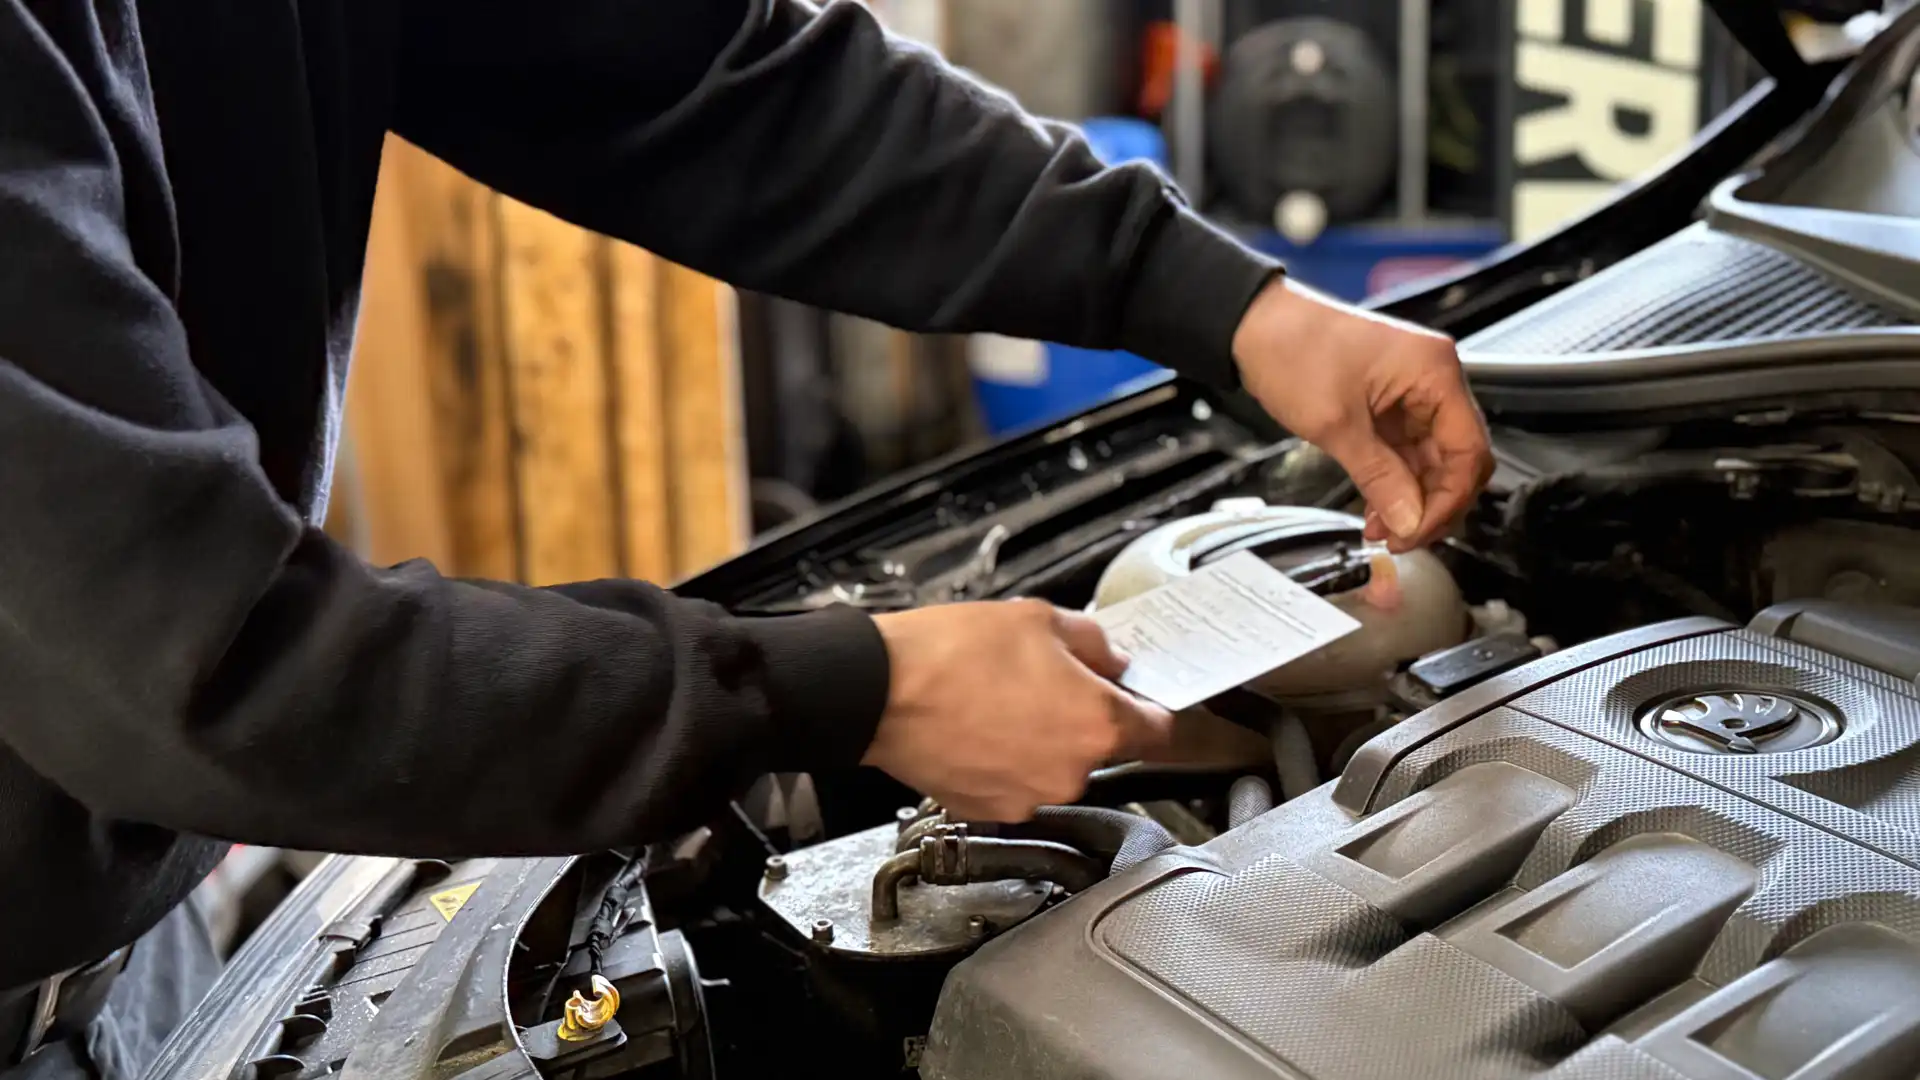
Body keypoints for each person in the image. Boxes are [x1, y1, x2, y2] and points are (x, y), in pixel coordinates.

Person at [0, 0, 1492, 1074]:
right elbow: (209, 662)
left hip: (127, 926)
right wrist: (853, 691)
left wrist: (1228, 304)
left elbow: (698, 77)